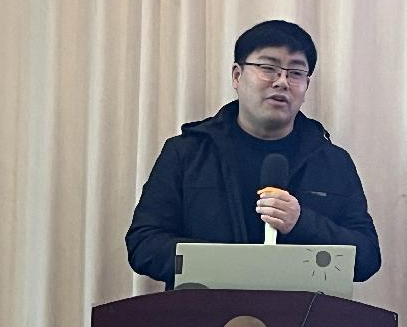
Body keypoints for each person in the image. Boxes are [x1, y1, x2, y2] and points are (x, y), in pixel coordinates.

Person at [126, 20, 381, 290]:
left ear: (306, 85)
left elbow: (367, 257)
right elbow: (143, 243)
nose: (282, 82)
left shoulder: (333, 162)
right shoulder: (186, 152)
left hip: (303, 315)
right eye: (268, 68)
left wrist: (302, 223)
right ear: (237, 76)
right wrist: (231, 265)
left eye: (295, 73)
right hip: (204, 312)